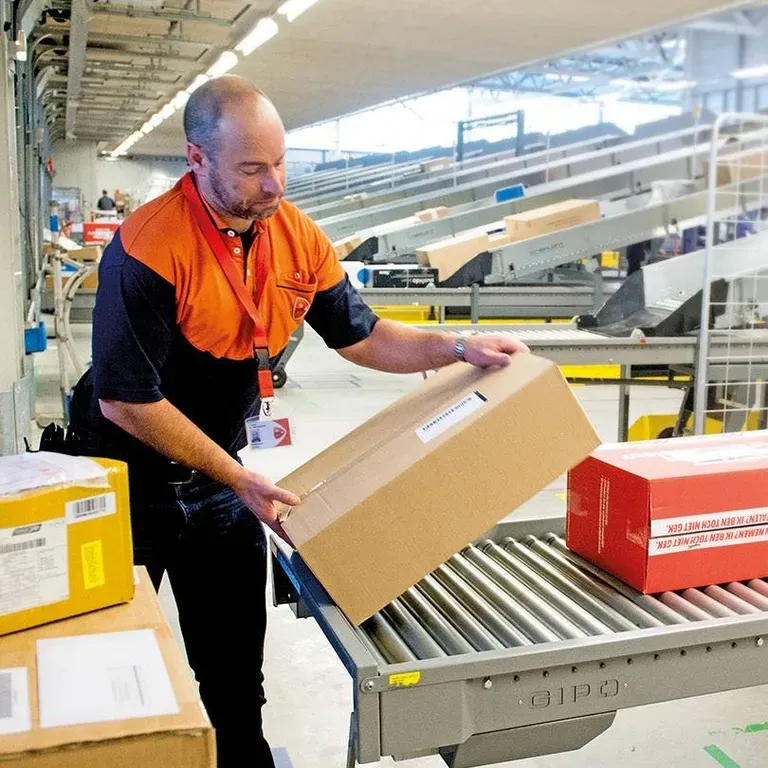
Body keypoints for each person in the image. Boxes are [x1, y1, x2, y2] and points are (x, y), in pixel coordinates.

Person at [66, 75, 529, 766]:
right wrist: (237, 478)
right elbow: (126, 400)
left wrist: (458, 348)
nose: (274, 184)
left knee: (233, 678)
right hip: (123, 478)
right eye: (252, 168)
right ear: (197, 159)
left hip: (219, 479)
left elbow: (362, 335)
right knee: (104, 673)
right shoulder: (149, 248)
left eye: (281, 162)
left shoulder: (296, 236)